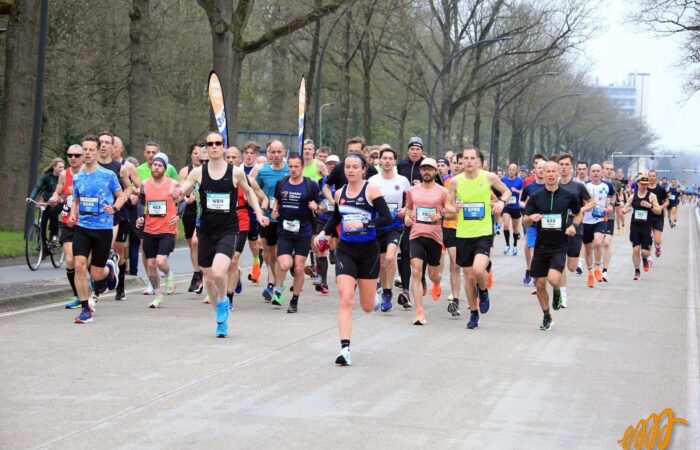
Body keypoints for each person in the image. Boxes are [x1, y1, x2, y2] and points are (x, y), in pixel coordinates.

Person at [180, 132, 268, 338]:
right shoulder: (198, 173)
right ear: (206, 149)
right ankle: (220, 318)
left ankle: (223, 301)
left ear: (223, 146)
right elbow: (183, 189)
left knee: (219, 272)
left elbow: (249, 193)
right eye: (210, 144)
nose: (214, 146)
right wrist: (177, 193)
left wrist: (259, 213)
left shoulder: (235, 172)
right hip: (206, 232)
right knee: (209, 280)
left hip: (228, 230)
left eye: (217, 143)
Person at [313, 153, 393, 366]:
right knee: (346, 298)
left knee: (367, 306)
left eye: (354, 167)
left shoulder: (371, 190)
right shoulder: (339, 193)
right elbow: (337, 217)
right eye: (347, 167)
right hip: (346, 250)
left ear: (363, 169)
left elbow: (387, 218)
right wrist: (325, 234)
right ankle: (345, 349)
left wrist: (365, 225)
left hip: (368, 252)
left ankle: (375, 299)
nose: (350, 170)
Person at [445, 147, 510, 330]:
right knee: (468, 277)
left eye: (472, 158)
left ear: (479, 161)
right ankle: (473, 314)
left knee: (478, 270)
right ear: (461, 161)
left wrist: (500, 202)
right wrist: (455, 208)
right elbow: (447, 206)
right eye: (465, 158)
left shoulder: (488, 177)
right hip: (463, 234)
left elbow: (507, 192)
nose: (469, 161)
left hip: (483, 232)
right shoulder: (455, 181)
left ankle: (484, 291)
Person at [68, 135, 126, 324]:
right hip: (82, 228)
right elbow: (76, 201)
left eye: (91, 149)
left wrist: (114, 208)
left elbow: (121, 196)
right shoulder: (78, 177)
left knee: (96, 273)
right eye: (85, 149)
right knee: (79, 265)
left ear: (97, 151)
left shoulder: (108, 175)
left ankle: (109, 269)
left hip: (103, 229)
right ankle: (85, 309)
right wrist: (72, 214)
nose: (87, 152)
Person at [522, 161, 582, 330]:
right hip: (541, 246)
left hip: (559, 245)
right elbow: (524, 220)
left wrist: (573, 226)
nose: (550, 174)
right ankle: (547, 316)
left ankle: (557, 291)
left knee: (553, 279)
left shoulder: (568, 195)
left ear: (558, 174)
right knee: (539, 284)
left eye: (553, 171)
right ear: (542, 173)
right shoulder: (536, 196)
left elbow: (578, 215)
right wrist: (530, 218)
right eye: (547, 171)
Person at [270, 153, 320, 312]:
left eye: (296, 166)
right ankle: (278, 287)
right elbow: (276, 201)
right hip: (285, 229)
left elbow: (323, 203)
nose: (293, 169)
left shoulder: (310, 185)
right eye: (290, 166)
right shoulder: (282, 182)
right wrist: (274, 211)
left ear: (302, 168)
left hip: (303, 231)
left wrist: (317, 207)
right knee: (285, 265)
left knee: (299, 268)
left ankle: (294, 300)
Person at [403, 158, 448, 325]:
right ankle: (419, 312)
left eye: (430, 169)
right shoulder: (412, 191)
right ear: (420, 172)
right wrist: (407, 217)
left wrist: (441, 215)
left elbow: (451, 212)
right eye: (424, 169)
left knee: (433, 275)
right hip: (416, 235)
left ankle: (436, 283)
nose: (426, 172)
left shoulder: (443, 192)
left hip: (435, 237)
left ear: (435, 172)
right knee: (416, 271)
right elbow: (409, 207)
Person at [136, 153, 184, 308]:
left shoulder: (172, 184)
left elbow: (184, 200)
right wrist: (140, 216)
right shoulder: (145, 184)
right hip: (149, 229)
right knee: (150, 265)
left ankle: (168, 274)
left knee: (160, 261)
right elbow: (141, 201)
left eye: (159, 165)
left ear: (165, 168)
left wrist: (178, 216)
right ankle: (157, 295)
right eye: (154, 165)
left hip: (167, 229)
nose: (156, 167)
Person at [368, 147, 411, 312]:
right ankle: (384, 289)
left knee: (391, 258)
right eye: (384, 158)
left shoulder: (402, 181)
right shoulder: (372, 181)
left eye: (390, 158)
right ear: (379, 160)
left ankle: (388, 292)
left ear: (394, 161)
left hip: (395, 225)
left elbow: (410, 201)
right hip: (378, 225)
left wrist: (405, 210)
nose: (387, 161)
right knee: (381, 262)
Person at [250, 140, 290, 302]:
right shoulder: (263, 171)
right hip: (267, 218)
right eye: (273, 152)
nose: (276, 155)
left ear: (284, 152)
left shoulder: (291, 170)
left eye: (279, 152)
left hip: (285, 218)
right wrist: (259, 205)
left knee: (281, 253)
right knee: (269, 254)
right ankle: (272, 279)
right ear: (269, 153)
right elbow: (255, 191)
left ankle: (275, 285)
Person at [556, 154, 593, 307]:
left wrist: (580, 210)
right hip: (557, 228)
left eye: (566, 164)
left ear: (571, 167)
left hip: (575, 228)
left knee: (571, 267)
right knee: (559, 262)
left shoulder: (578, 185)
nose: (563, 167)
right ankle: (562, 295)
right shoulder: (553, 183)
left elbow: (592, 202)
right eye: (561, 164)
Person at [49, 145, 84, 309]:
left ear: (83, 156)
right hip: (67, 221)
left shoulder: (89, 173)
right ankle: (77, 296)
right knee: (71, 260)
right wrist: (54, 197)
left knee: (84, 263)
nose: (73, 158)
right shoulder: (64, 174)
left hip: (86, 222)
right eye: (70, 155)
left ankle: (92, 283)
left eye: (77, 155)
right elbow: (58, 191)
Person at [621, 175, 662, 280]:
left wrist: (650, 206)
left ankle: (644, 259)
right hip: (635, 226)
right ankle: (637, 271)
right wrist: (625, 210)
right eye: (642, 184)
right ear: (638, 184)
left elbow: (659, 211)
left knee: (645, 252)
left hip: (646, 226)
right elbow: (624, 208)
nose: (644, 186)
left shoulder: (651, 196)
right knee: (635, 249)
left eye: (646, 184)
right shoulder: (633, 196)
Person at [582, 164, 614, 288]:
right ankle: (590, 273)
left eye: (598, 171)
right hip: (585, 221)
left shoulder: (607, 185)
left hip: (600, 219)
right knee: (588, 249)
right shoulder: (585, 185)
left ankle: (597, 268)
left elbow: (611, 196)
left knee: (598, 243)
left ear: (602, 172)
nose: (595, 173)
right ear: (590, 173)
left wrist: (610, 206)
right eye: (593, 171)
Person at [179, 142, 205, 293]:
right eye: (195, 153)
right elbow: (182, 186)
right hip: (190, 210)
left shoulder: (210, 170)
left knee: (199, 243)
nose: (197, 156)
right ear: (191, 155)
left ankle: (201, 275)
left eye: (199, 153)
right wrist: (187, 196)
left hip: (205, 211)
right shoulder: (185, 171)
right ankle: (197, 272)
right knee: (192, 244)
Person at [520, 158, 547, 286]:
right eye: (539, 167)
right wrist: (526, 206)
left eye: (544, 168)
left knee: (542, 249)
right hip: (531, 223)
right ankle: (532, 272)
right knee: (532, 247)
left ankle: (539, 272)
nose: (541, 170)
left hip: (548, 225)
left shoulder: (551, 186)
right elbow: (521, 201)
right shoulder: (529, 186)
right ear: (535, 170)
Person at [27, 157, 64, 247]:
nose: (62, 169)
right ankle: (43, 248)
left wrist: (62, 199)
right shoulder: (47, 176)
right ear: (54, 167)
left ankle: (54, 234)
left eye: (63, 167)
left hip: (58, 202)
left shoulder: (64, 176)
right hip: (46, 202)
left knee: (52, 211)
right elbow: (37, 187)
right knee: (42, 223)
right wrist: (30, 197)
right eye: (60, 167)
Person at [501, 163, 523, 256]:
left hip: (515, 207)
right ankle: (507, 245)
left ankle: (514, 246)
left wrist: (516, 191)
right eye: (510, 169)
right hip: (506, 206)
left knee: (515, 229)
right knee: (505, 225)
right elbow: (499, 190)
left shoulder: (520, 181)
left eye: (513, 169)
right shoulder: (503, 180)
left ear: (516, 171)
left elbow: (523, 192)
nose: (511, 171)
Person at [647, 170, 669, 259]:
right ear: (648, 177)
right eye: (650, 176)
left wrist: (662, 207)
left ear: (656, 177)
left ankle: (657, 247)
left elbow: (667, 201)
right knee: (648, 238)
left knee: (657, 240)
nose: (651, 177)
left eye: (653, 176)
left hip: (658, 216)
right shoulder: (644, 188)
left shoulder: (661, 189)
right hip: (647, 216)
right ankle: (649, 257)